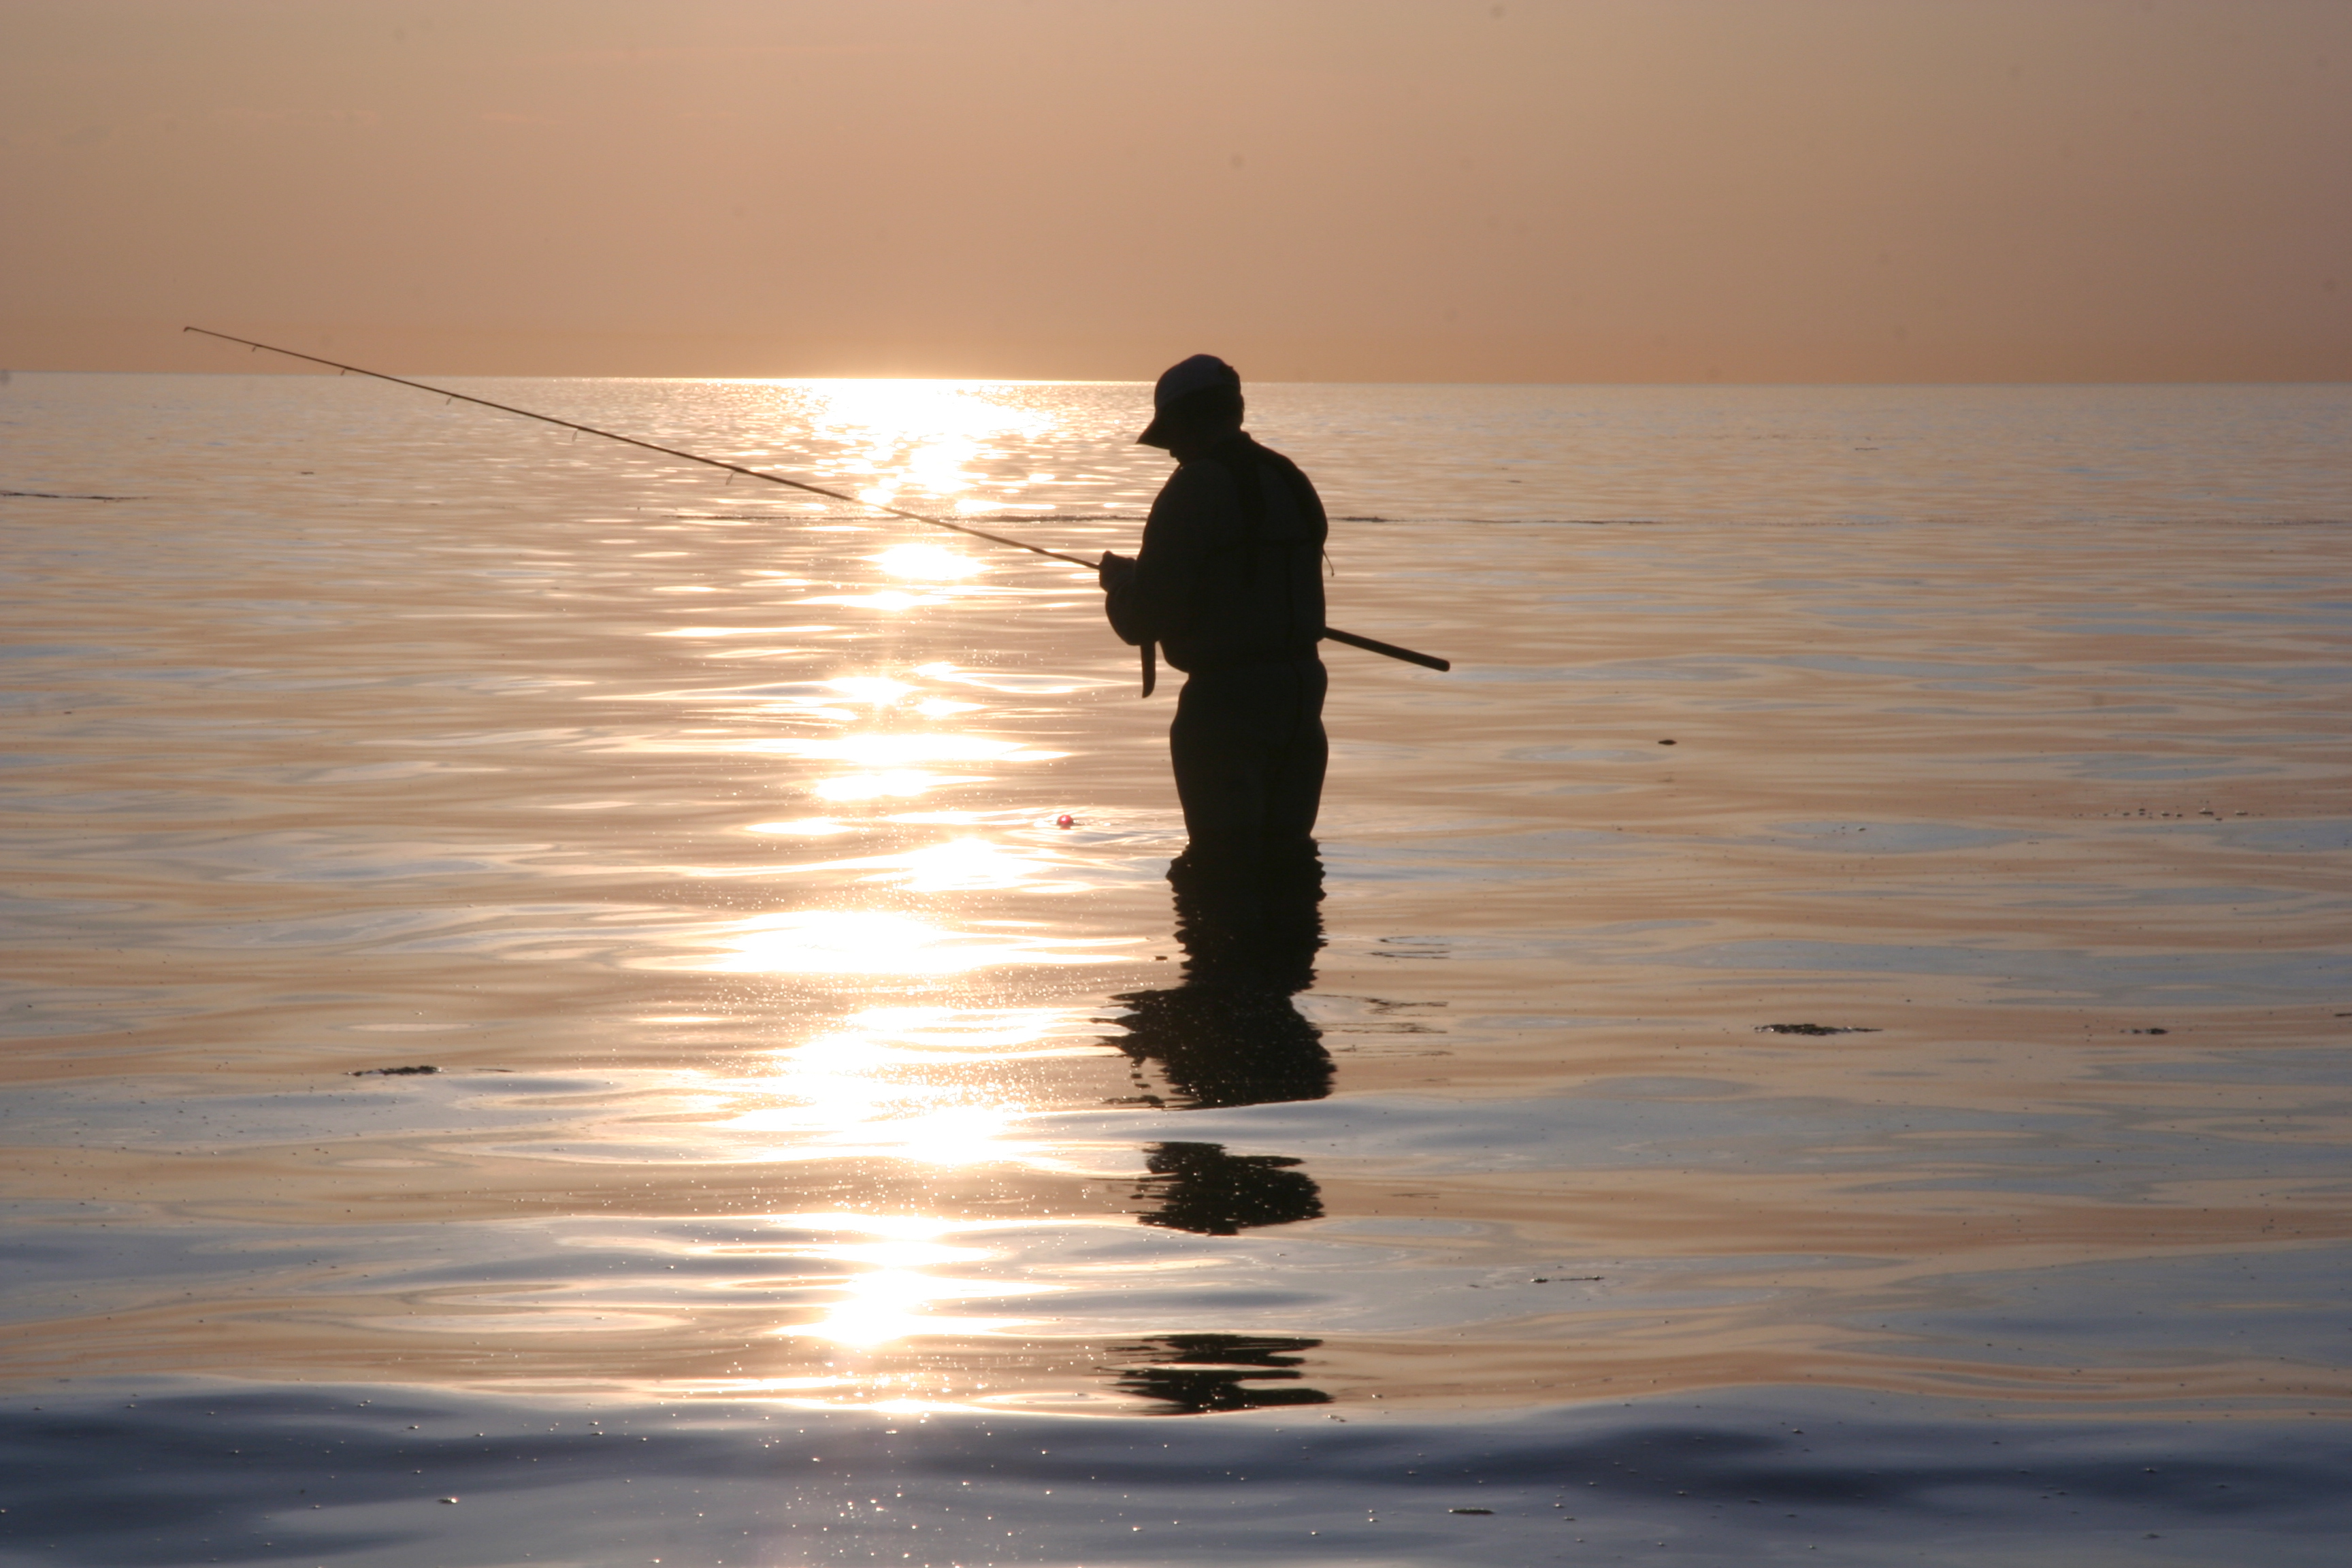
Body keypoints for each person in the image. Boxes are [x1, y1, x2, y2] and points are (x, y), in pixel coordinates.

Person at [1098, 355, 1330, 884]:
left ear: (1186, 420)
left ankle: (1218, 967)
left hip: (1224, 708)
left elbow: (1142, 619)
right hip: (1301, 695)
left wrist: (1118, 586)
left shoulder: (1191, 491)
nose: (1172, 450)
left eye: (1171, 434)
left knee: (1220, 870)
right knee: (1289, 865)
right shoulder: (1290, 479)